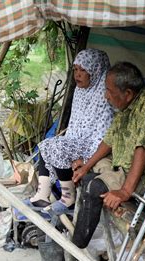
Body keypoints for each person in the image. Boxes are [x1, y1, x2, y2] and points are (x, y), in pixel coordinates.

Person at [71, 62, 145, 248]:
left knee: (94, 187)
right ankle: (81, 241)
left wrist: (125, 191)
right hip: (121, 168)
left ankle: (76, 245)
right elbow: (108, 141)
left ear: (128, 94)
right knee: (86, 177)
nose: (106, 96)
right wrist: (85, 167)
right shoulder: (125, 109)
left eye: (109, 91)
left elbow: (143, 148)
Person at [28, 48, 114, 215]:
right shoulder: (80, 91)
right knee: (46, 144)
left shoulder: (106, 94)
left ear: (95, 71)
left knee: (59, 148)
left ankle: (68, 198)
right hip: (77, 140)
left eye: (83, 70)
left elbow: (105, 135)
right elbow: (75, 126)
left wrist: (84, 158)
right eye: (75, 69)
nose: (78, 75)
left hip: (94, 145)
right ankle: (42, 194)